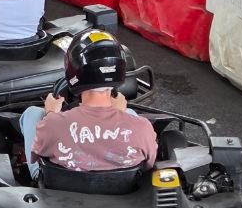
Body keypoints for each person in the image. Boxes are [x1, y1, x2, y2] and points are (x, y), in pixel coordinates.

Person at [17, 28, 158, 179]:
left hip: (58, 190)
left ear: (74, 72)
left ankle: (34, 179)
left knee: (33, 113)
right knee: (131, 113)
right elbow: (149, 166)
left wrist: (50, 113)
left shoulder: (52, 124)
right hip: (123, 190)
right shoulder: (141, 127)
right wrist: (122, 116)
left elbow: (35, 156)